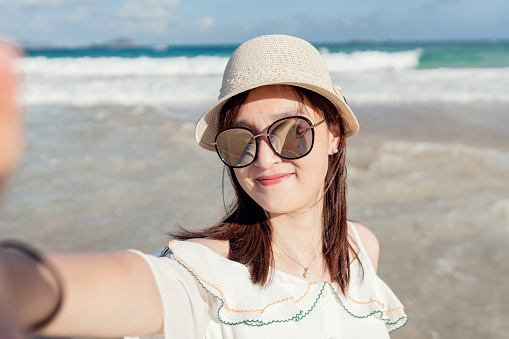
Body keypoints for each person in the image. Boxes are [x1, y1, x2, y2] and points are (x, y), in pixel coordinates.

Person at [0, 35, 407, 338]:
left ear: (334, 135)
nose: (264, 159)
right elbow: (61, 289)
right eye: (240, 141)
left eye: (290, 134)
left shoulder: (359, 248)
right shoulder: (204, 275)